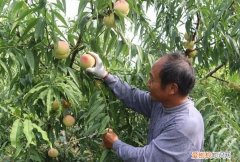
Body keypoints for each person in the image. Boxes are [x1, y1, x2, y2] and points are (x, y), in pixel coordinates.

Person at [86, 51, 204, 162]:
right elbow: (133, 96)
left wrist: (115, 143)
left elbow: (145, 158)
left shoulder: (185, 125)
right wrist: (105, 75)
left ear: (172, 88)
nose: (148, 83)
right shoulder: (162, 103)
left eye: (152, 79)